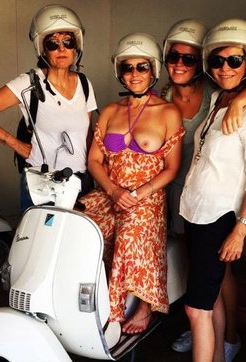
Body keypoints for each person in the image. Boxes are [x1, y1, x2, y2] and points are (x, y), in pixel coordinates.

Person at [161, 18, 246, 362]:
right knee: (204, 285)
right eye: (218, 61)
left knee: (205, 295)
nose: (225, 67)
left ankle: (222, 352)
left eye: (235, 60)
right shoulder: (213, 99)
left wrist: (241, 229)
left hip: (219, 212)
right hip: (191, 203)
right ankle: (213, 352)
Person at [79, 33, 184, 335]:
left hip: (147, 197)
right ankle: (88, 297)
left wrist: (137, 193)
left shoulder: (168, 112)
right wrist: (113, 190)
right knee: (79, 224)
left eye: (142, 67)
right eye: (128, 67)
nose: (135, 74)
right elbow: (94, 160)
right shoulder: (110, 111)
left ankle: (140, 307)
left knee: (131, 233)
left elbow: (172, 168)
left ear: (153, 71)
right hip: (109, 191)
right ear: (120, 72)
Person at [0, 4, 97, 211]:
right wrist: (16, 145)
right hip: (42, 183)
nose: (61, 49)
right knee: (40, 232)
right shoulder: (28, 83)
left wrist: (93, 170)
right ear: (42, 49)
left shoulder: (84, 83)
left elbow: (87, 133)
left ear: (76, 47)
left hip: (78, 182)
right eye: (52, 43)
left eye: (68, 41)